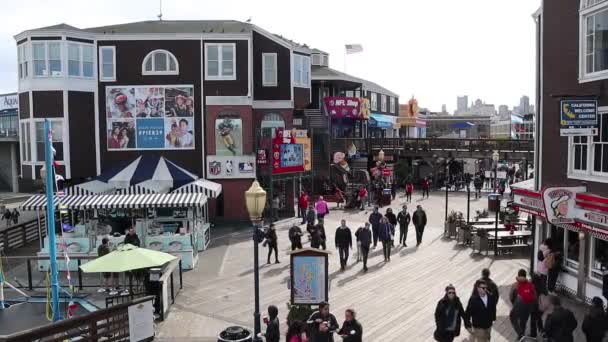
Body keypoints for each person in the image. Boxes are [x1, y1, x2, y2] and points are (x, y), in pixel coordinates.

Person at [509, 269, 536, 340]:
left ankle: (520, 334)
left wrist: (514, 304)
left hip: (518, 305)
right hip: (528, 306)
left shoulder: (515, 285)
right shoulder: (531, 285)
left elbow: (511, 296)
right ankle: (522, 335)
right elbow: (534, 296)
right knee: (523, 321)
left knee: (512, 317)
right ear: (525, 275)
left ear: (518, 275)